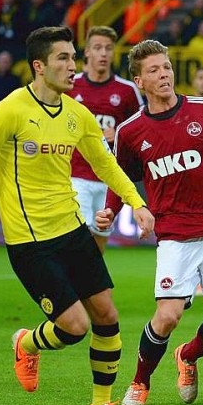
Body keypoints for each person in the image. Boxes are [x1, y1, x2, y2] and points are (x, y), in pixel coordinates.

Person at [0, 26, 155, 405]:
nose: (73, 66)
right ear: (39, 66)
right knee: (74, 326)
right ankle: (26, 342)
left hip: (72, 229)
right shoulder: (9, 111)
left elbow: (107, 164)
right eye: (63, 58)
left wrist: (137, 203)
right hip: (30, 240)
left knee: (107, 314)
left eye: (74, 57)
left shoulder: (77, 114)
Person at [94, 39, 203, 405]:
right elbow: (121, 176)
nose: (164, 75)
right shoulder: (131, 131)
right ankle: (140, 381)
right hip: (176, 237)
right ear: (139, 81)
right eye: (154, 70)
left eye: (166, 67)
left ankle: (187, 356)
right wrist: (110, 208)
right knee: (168, 316)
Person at [68, 26, 144, 253]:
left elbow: (141, 130)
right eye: (98, 48)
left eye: (108, 48)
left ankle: (91, 287)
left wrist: (119, 133)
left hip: (109, 178)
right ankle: (73, 285)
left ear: (113, 54)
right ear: (87, 52)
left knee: (100, 239)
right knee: (77, 236)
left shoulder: (127, 90)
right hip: (75, 174)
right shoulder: (71, 86)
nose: (103, 53)